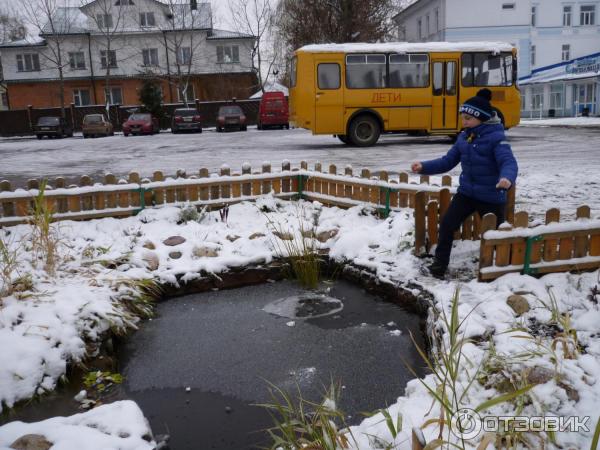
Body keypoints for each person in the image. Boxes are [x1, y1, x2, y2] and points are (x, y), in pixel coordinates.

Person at [411, 89, 518, 278]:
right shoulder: (464, 137)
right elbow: (447, 161)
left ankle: (503, 270)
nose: (464, 121)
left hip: (491, 196)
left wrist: (506, 178)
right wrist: (423, 167)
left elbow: (508, 161)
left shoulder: (496, 138)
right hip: (467, 193)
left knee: (497, 235)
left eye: (468, 118)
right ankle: (439, 266)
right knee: (447, 224)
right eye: (463, 117)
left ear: (482, 118)